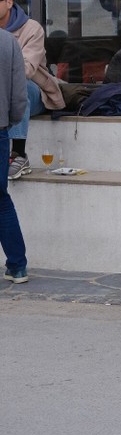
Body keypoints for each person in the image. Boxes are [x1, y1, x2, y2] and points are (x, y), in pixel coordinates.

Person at [1, 0, 65, 180]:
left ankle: (19, 154)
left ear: (9, 3)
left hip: (36, 92)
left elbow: (26, 70)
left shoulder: (32, 29)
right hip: (2, 95)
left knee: (22, 87)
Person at [1, 29, 28, 284]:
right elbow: (19, 94)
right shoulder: (8, 41)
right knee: (1, 199)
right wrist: (9, 121)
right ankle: (18, 267)